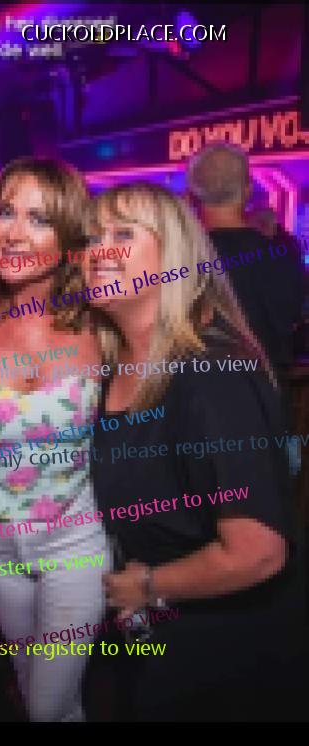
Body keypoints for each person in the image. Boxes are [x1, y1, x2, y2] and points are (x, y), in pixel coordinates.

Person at [85, 182, 306, 720]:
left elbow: (257, 551)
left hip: (230, 658)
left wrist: (148, 586)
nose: (99, 251)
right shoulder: (113, 365)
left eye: (122, 235)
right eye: (91, 237)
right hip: (158, 648)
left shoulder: (210, 374)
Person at [0, 158, 107, 721]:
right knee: (35, 689)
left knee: (45, 707)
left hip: (74, 543)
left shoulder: (100, 326)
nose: (14, 233)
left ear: (68, 239)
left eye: (39, 219)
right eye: (5, 212)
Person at [186, 143, 302, 379]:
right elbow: (290, 323)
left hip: (196, 386)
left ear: (193, 194)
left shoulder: (180, 258)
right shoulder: (282, 257)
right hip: (266, 387)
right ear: (248, 190)